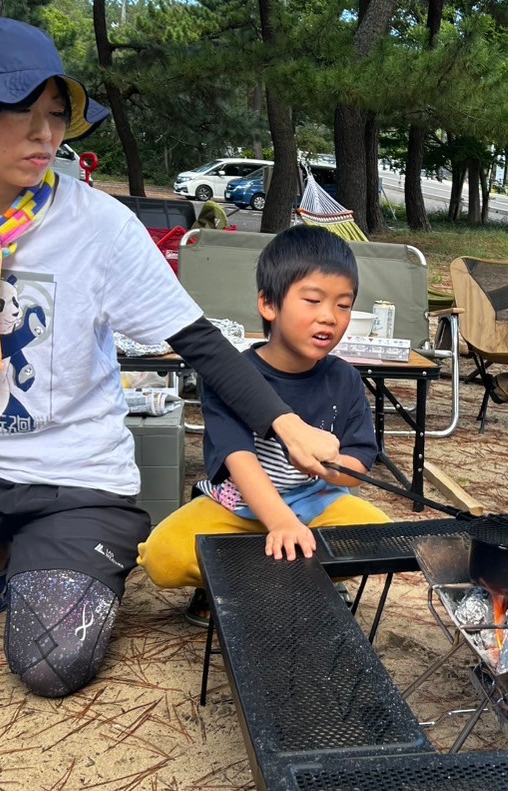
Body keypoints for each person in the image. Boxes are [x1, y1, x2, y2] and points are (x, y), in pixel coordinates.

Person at [0, 17, 342, 697]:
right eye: (23, 115)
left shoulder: (97, 225)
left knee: (50, 663)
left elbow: (199, 344)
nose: (47, 136)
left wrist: (285, 424)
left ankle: (26, 559)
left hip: (80, 481)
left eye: (56, 114)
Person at [139, 226, 388, 621]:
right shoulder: (232, 375)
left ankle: (287, 571)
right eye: (312, 300)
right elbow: (239, 460)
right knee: (162, 555)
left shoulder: (346, 379)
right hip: (237, 507)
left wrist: (332, 470)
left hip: (313, 501)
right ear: (268, 304)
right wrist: (281, 523)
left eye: (343, 305)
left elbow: (358, 462)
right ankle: (235, 577)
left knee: (380, 539)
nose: (329, 317)